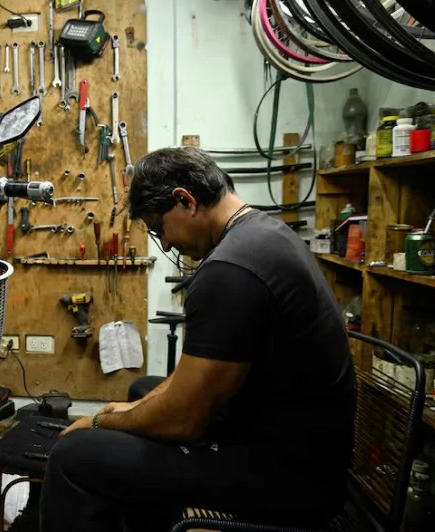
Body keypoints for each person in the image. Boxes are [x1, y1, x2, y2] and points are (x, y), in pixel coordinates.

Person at [41, 147, 354, 530]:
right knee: (143, 390)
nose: (167, 245)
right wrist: (121, 412)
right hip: (298, 454)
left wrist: (96, 425)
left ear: (184, 201)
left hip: (291, 480)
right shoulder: (261, 233)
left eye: (159, 229)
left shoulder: (230, 270)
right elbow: (193, 379)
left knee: (74, 456)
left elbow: (184, 421)